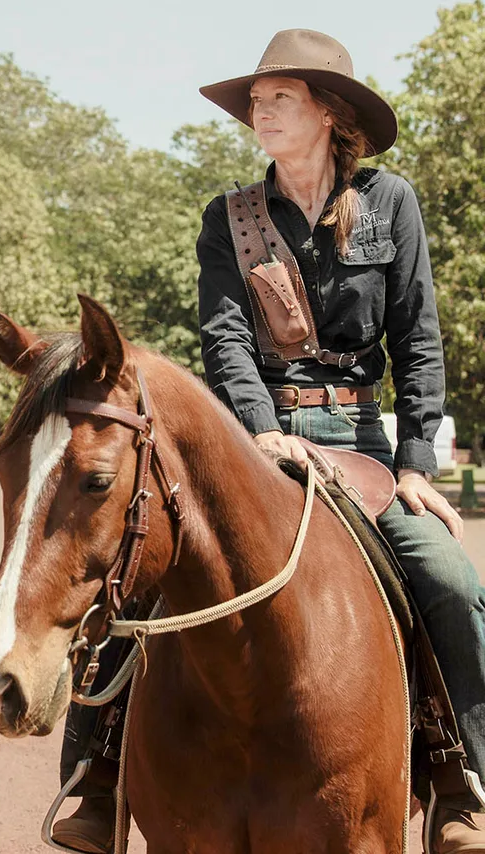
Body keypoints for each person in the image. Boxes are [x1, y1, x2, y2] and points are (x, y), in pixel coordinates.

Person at [54, 29, 485, 854]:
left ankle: (459, 776)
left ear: (329, 113)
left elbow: (418, 340)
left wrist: (417, 463)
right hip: (254, 437)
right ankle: (94, 777)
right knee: (136, 569)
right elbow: (224, 341)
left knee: (452, 582)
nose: (262, 111)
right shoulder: (229, 218)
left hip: (362, 437)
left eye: (280, 97)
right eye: (256, 100)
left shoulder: (393, 204)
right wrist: (260, 433)